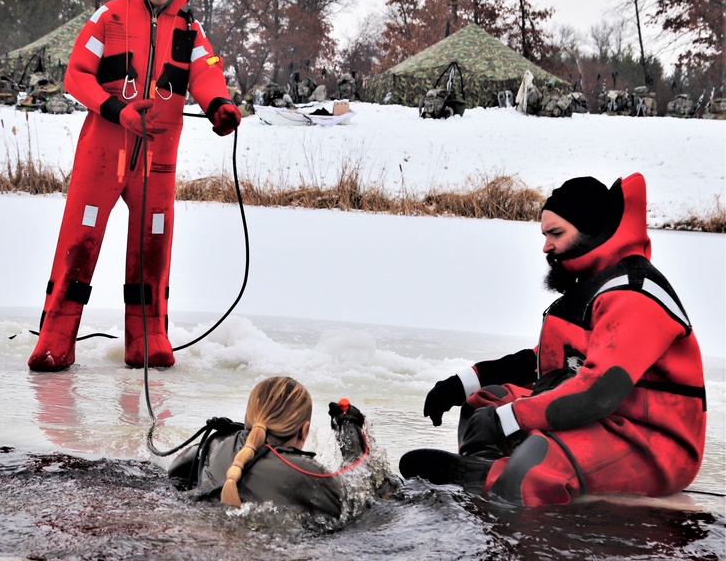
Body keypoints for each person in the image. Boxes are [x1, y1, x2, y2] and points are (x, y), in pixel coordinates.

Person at [400, 173, 706, 507]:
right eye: (545, 235)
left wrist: (507, 421)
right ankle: (484, 472)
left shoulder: (635, 294)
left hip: (651, 444)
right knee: (486, 402)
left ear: (592, 232)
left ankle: (501, 496)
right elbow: (554, 360)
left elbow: (597, 392)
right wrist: (465, 383)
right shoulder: (597, 285)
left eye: (556, 234)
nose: (546, 246)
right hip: (602, 421)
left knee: (536, 464)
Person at [27, 0, 241, 371]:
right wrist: (117, 110)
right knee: (80, 243)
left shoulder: (188, 28)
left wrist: (219, 105)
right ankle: (55, 339)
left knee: (153, 244)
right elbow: (76, 75)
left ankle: (148, 337)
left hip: (158, 159)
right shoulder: (109, 17)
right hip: (104, 153)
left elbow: (205, 71)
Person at [167, 376, 379, 523]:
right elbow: (358, 500)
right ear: (304, 431)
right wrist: (352, 435)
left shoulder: (215, 443)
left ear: (249, 417)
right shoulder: (307, 473)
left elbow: (176, 470)